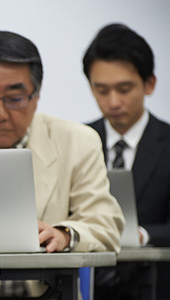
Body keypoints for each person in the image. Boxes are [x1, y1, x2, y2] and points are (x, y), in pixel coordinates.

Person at [0, 30, 125, 297]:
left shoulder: (76, 141)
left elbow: (106, 225)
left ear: (36, 95)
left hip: (42, 292)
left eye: (15, 98)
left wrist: (64, 234)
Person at [83, 23, 170, 300]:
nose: (113, 102)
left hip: (156, 285)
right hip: (85, 285)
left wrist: (141, 235)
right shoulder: (79, 140)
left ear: (150, 84)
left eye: (124, 89)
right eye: (101, 90)